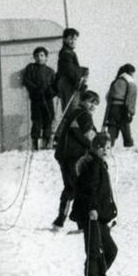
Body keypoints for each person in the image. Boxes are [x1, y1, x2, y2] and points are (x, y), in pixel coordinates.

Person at [70, 133, 118, 276]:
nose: (105, 150)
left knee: (110, 250)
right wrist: (92, 209)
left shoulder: (100, 164)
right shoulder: (93, 165)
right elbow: (88, 188)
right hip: (92, 216)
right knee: (94, 252)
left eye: (108, 147)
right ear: (94, 147)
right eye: (101, 147)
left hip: (100, 217)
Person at [52, 90, 100, 228]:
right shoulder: (84, 115)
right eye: (90, 101)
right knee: (78, 188)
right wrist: (98, 144)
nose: (92, 106)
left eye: (95, 103)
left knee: (70, 187)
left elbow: (76, 132)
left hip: (64, 155)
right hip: (74, 156)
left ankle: (61, 220)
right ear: (82, 101)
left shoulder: (75, 113)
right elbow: (88, 135)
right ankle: (80, 223)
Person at [22, 46, 56, 150]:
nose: (39, 58)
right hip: (36, 100)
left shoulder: (50, 71)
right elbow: (26, 81)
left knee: (48, 120)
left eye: (42, 55)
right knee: (36, 120)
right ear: (34, 57)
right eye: (37, 55)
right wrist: (36, 89)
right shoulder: (31, 68)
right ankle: (35, 144)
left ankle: (46, 143)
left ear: (46, 57)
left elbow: (55, 86)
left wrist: (50, 92)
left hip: (47, 100)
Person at [103, 64, 137, 147]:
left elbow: (108, 96)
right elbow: (131, 97)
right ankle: (129, 149)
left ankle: (108, 147)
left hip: (112, 108)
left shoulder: (115, 81)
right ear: (130, 72)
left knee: (112, 130)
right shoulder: (130, 81)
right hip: (122, 108)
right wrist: (131, 112)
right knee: (126, 131)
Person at [55, 28, 88, 110]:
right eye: (70, 39)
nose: (73, 41)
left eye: (75, 39)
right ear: (64, 39)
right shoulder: (67, 53)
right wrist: (83, 72)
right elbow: (70, 71)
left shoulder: (68, 52)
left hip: (67, 84)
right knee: (71, 109)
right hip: (68, 85)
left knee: (70, 109)